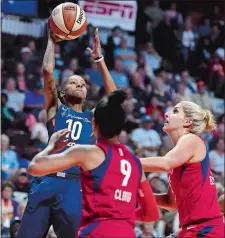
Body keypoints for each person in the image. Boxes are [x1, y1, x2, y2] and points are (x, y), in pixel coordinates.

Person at [18, 27, 117, 238]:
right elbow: (47, 71)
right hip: (46, 178)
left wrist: (99, 59)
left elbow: (115, 97)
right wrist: (51, 41)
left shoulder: (94, 117)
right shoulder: (56, 108)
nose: (79, 84)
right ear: (63, 91)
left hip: (75, 184)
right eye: (73, 82)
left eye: (82, 84)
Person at [28, 90, 160, 237]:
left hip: (97, 232)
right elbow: (152, 214)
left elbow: (35, 167)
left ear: (94, 124)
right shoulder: (135, 162)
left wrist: (52, 147)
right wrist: (122, 217)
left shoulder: (88, 153)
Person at [140, 101, 224, 238]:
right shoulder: (178, 158)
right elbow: (170, 202)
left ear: (188, 122)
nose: (167, 114)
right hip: (192, 229)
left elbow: (164, 163)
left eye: (175, 111)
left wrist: (126, 162)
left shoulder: (191, 139)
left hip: (206, 229)